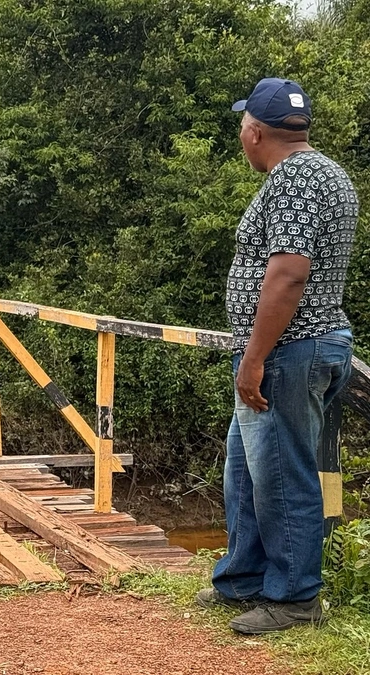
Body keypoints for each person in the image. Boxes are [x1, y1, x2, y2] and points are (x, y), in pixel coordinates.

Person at [197, 78, 358, 635]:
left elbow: (289, 274)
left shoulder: (293, 180)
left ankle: (295, 598)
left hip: (291, 349)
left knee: (284, 476)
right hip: (295, 346)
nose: (242, 134)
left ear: (255, 132)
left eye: (243, 125)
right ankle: (243, 578)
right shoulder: (326, 173)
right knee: (246, 470)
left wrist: (254, 358)